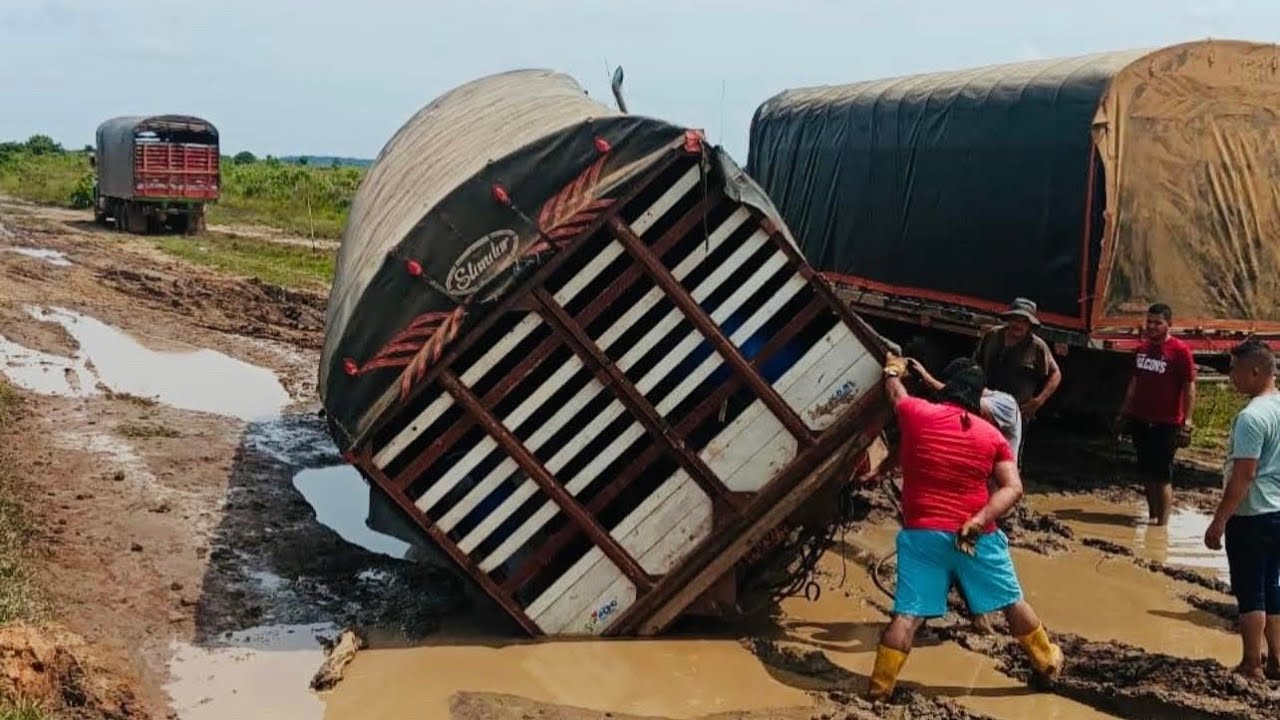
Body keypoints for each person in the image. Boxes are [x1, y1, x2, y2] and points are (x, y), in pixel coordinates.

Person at [868, 356, 1063, 701]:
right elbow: (1013, 488)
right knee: (1011, 603)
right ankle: (1047, 662)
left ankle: (879, 687)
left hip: (921, 535)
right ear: (977, 398)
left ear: (948, 390)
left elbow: (895, 394)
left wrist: (892, 369)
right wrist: (978, 519)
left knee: (907, 615)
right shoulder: (992, 436)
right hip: (974, 535)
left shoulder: (918, 414)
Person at [1203, 339, 1280, 680]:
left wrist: (1219, 521)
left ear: (1256, 371)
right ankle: (1277, 659)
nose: (1230, 376)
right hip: (1277, 511)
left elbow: (1243, 475)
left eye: (1234, 370)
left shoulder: (1251, 418)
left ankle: (1252, 663)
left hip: (1252, 514)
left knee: (1251, 592)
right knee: (1272, 587)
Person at [1117, 303, 1197, 526]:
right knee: (1146, 472)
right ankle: (1151, 516)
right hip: (1141, 418)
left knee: (1162, 475)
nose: (1151, 326)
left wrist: (1187, 421)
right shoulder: (1142, 349)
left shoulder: (1180, 351)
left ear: (1169, 324)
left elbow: (1189, 386)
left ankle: (1162, 525)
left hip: (1167, 422)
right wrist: (1125, 410)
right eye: (1149, 322)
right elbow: (1135, 381)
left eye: (1157, 323)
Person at [909, 357, 1023, 463]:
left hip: (1002, 477)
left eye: (953, 385)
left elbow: (973, 404)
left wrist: (929, 379)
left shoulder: (1006, 403)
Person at [973, 298, 1062, 422]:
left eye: (1024, 321)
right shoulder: (992, 336)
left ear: (1030, 325)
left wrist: (1038, 401)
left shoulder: (1037, 346)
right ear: (1009, 319)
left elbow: (1055, 374)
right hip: (985, 405)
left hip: (1015, 413)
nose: (1018, 325)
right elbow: (975, 364)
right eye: (1015, 319)